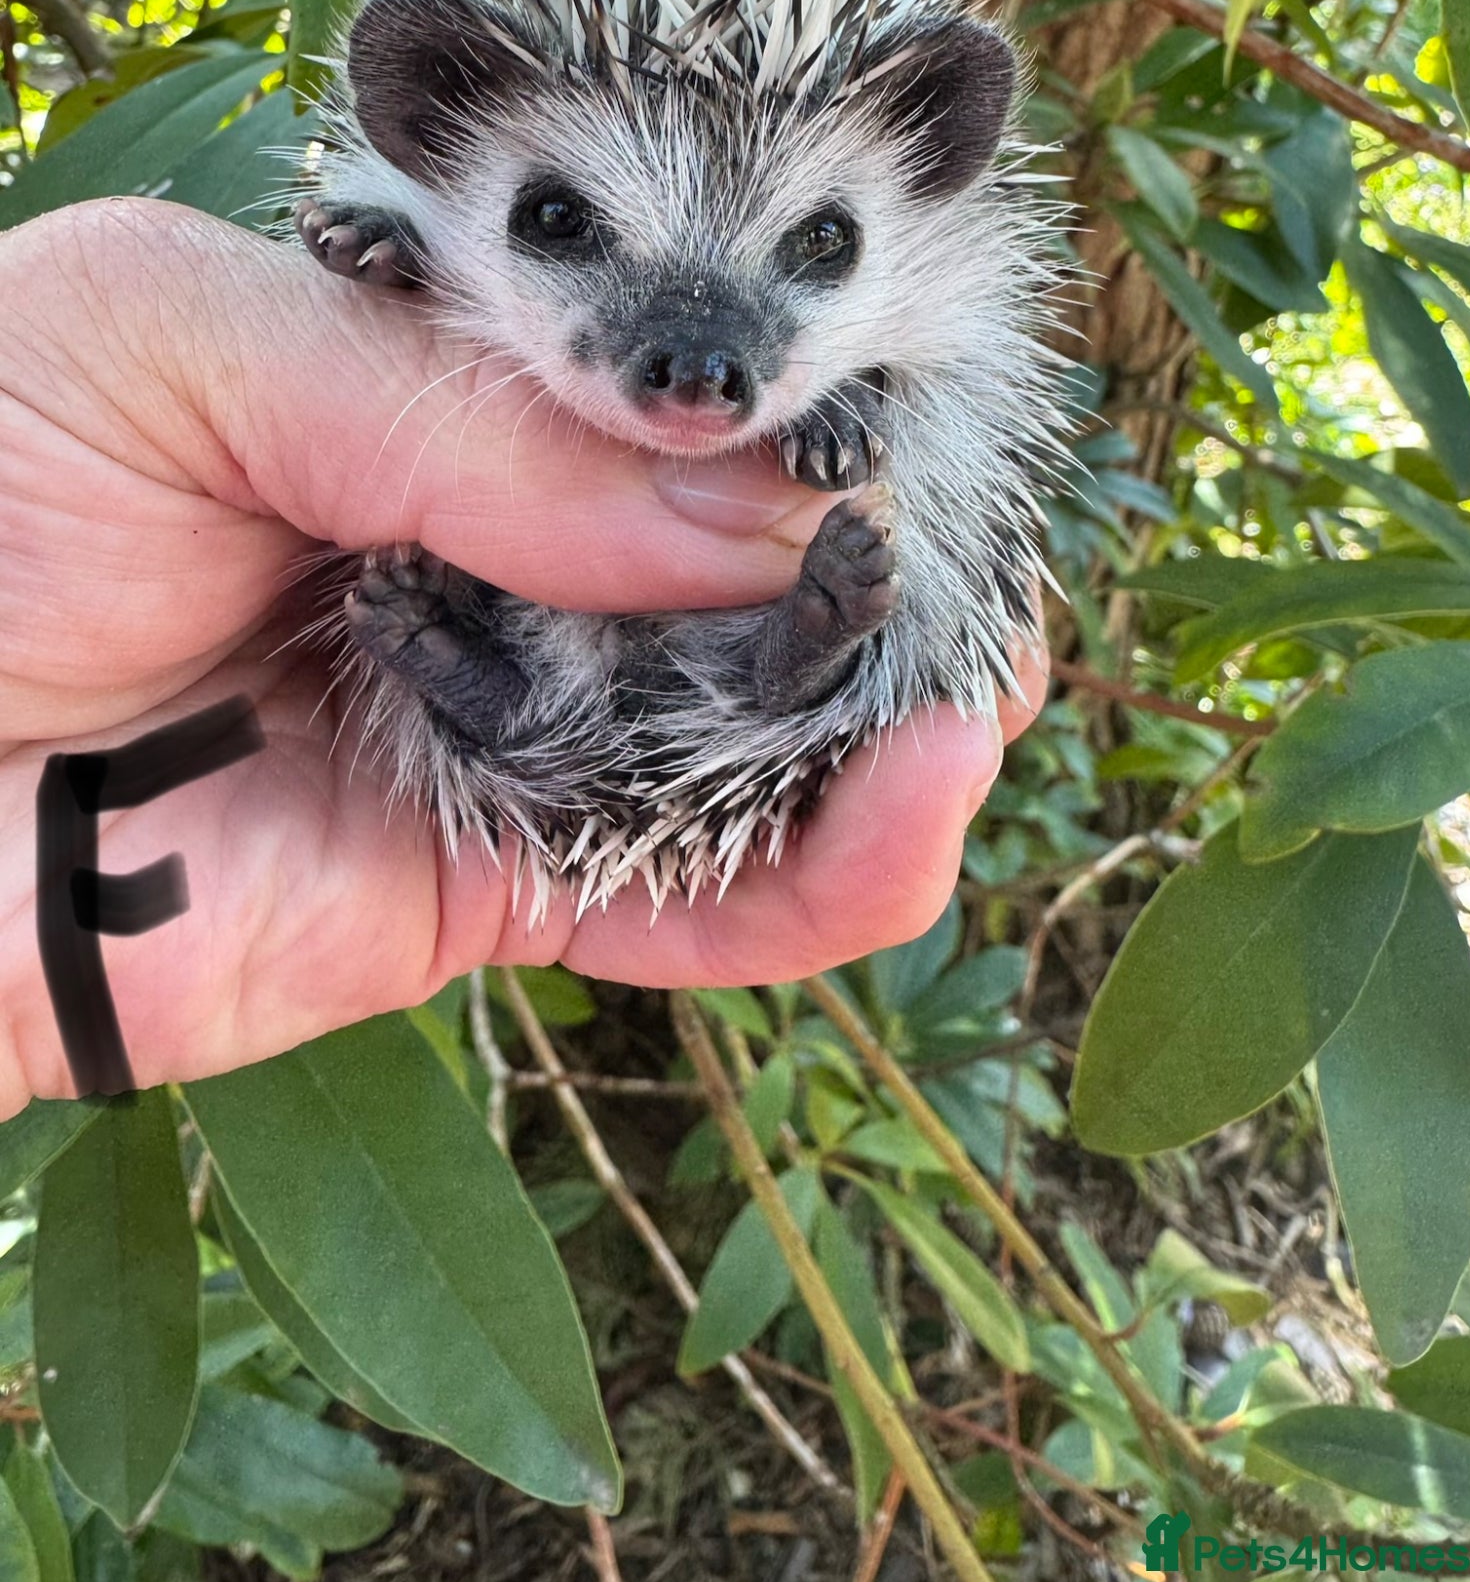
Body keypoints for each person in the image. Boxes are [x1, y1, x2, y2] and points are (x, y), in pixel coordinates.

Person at [0, 198, 1045, 1116]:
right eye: (562, 222)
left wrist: (860, 393)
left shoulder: (931, 317)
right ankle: (768, 656)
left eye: (817, 243)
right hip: (542, 650)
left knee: (863, 643)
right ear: (421, 128)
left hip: (675, 692)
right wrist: (406, 275)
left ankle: (750, 665)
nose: (700, 373)